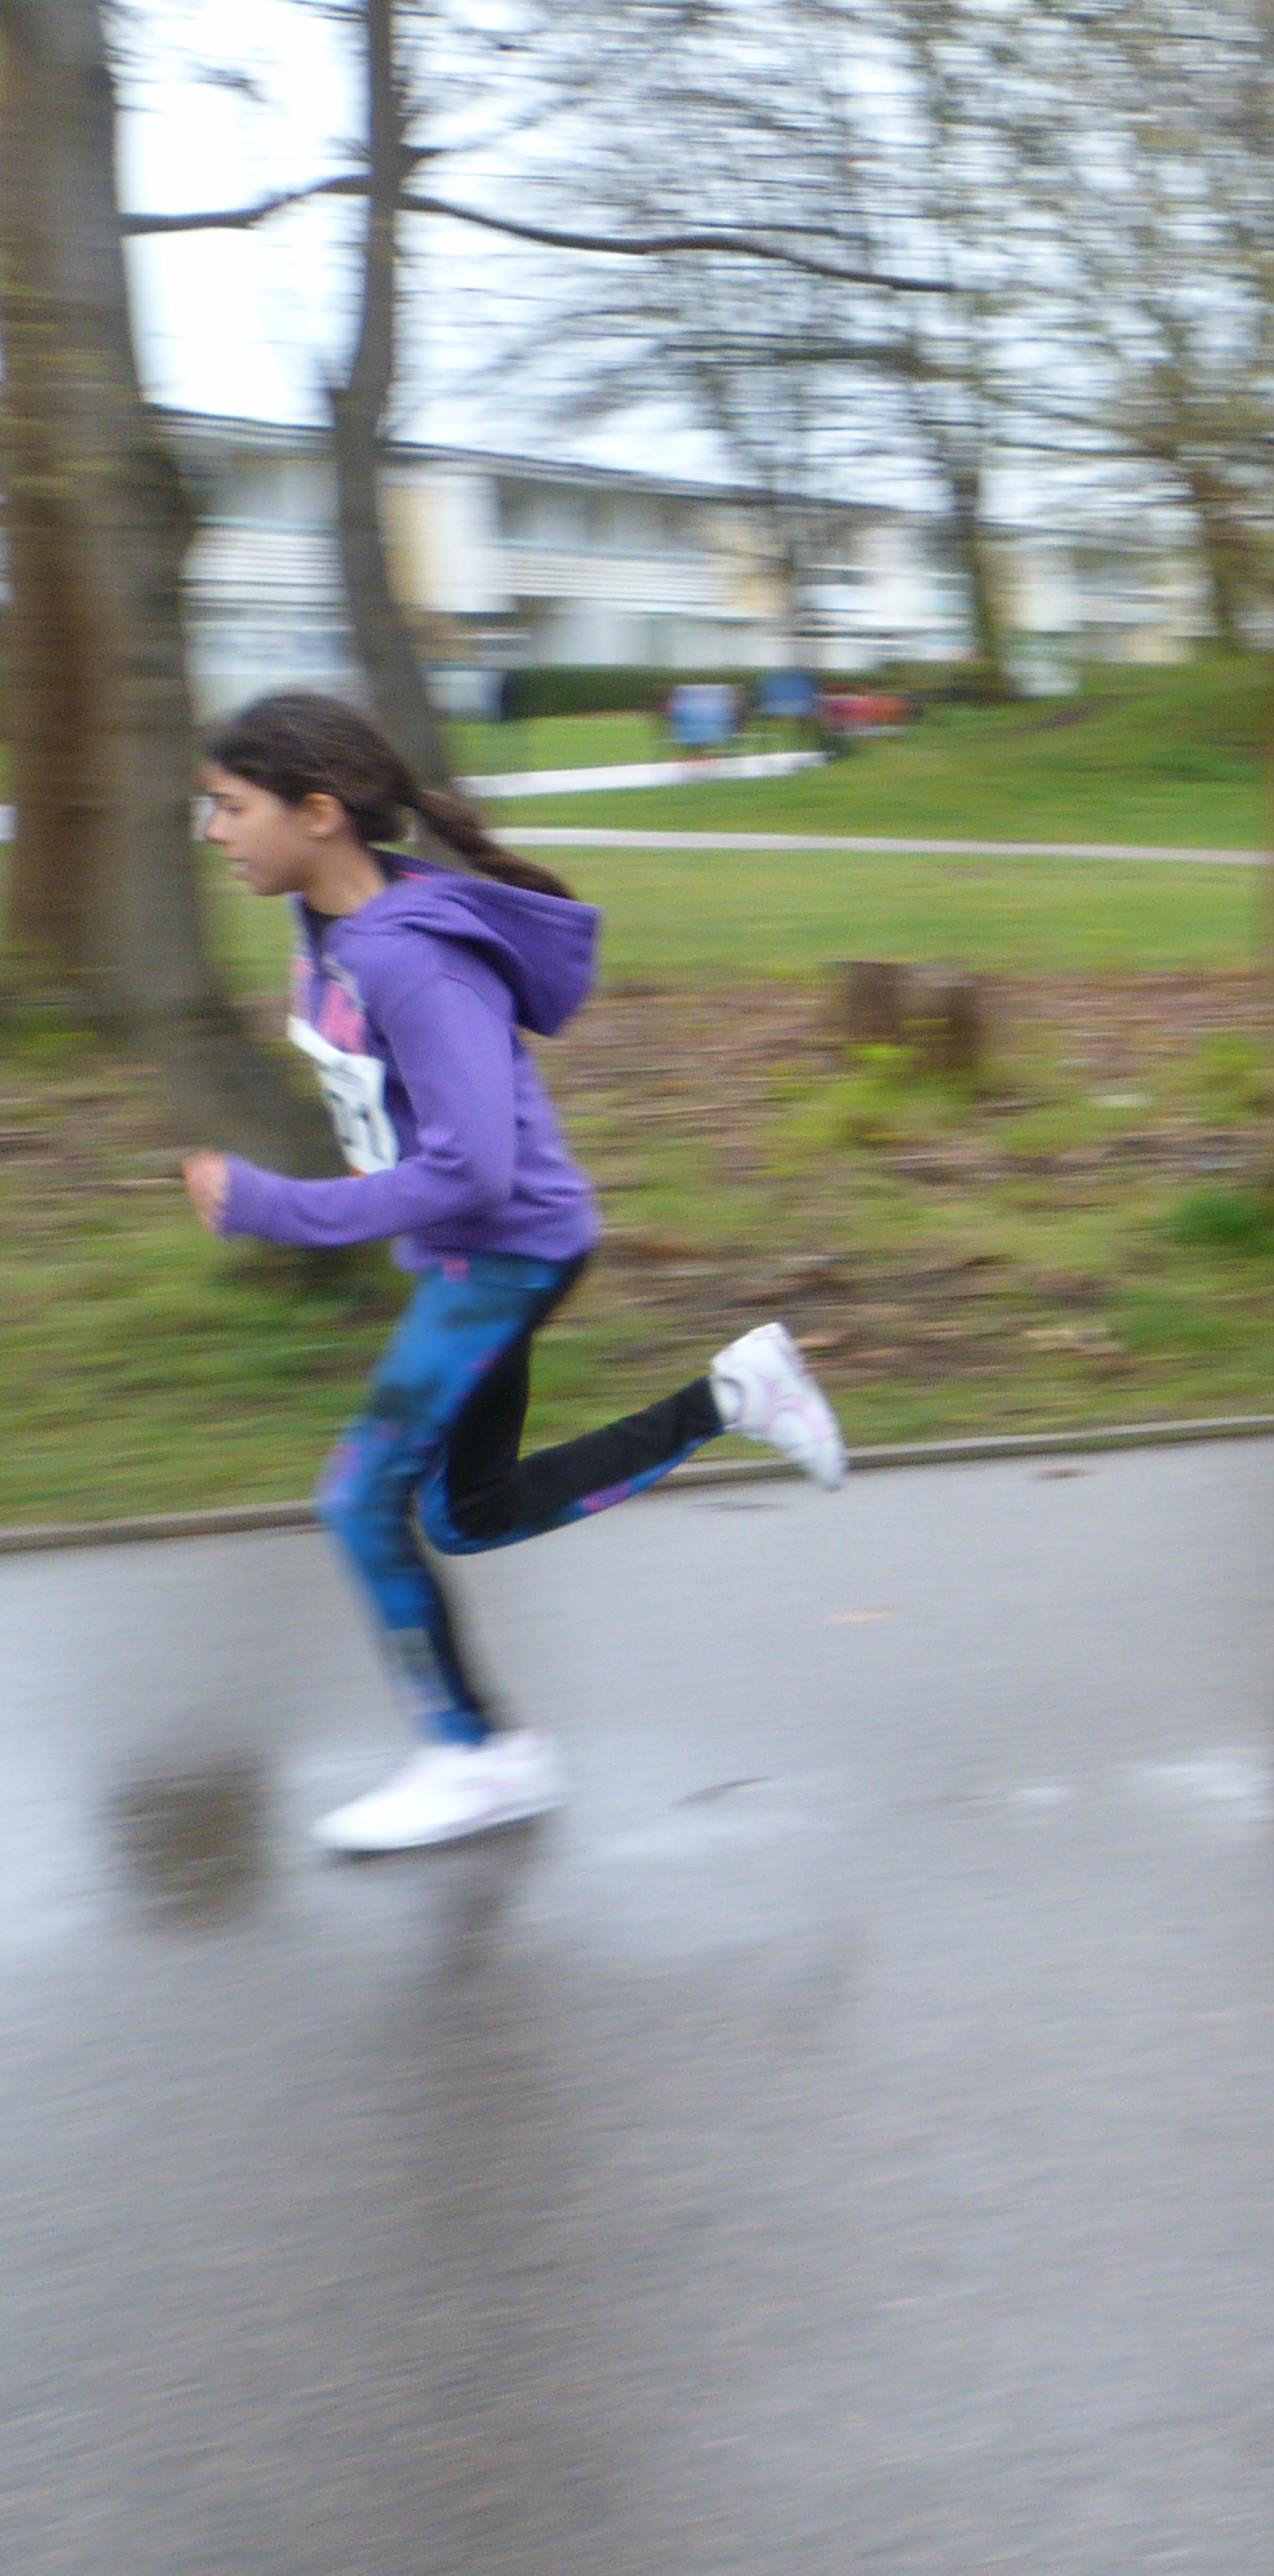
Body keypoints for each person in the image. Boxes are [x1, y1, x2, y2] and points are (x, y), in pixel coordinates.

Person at [180, 692, 849, 1854]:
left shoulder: (410, 960)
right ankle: (736, 1394)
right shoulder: (329, 924)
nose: (213, 830)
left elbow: (472, 1169)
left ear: (319, 814)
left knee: (358, 1500)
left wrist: (275, 1208)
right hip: (471, 1254)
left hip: (502, 1254)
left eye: (233, 806)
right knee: (466, 1512)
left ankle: (472, 1754)